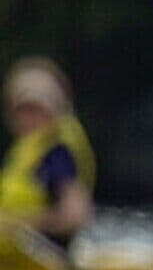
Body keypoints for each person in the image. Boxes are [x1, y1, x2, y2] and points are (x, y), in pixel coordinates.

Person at [3, 58, 95, 255]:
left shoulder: (57, 156)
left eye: (38, 110)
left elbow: (75, 216)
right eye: (24, 110)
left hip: (45, 255)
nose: (30, 118)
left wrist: (18, 225)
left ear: (56, 110)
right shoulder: (26, 153)